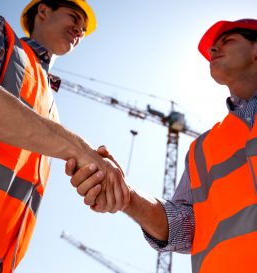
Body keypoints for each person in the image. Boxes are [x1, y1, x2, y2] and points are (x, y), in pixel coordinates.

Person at [65, 19, 257, 273]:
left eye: (227, 41)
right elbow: (187, 229)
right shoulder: (202, 149)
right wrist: (128, 197)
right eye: (213, 46)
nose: (212, 49)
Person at [0, 1, 130, 272]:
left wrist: (96, 181)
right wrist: (79, 149)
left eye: (83, 30)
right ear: (43, 11)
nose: (79, 31)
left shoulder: (49, 103)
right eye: (74, 17)